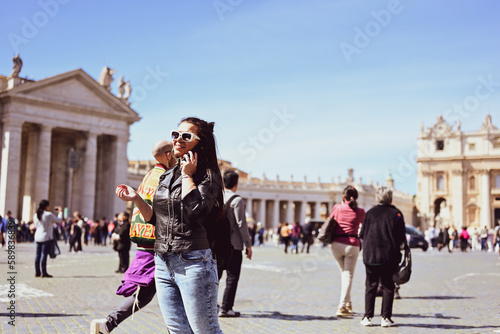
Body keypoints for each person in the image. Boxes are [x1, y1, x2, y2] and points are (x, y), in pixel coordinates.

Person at [116, 117, 224, 333]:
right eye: (175, 134)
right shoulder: (165, 176)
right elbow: (156, 219)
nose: (177, 139)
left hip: (193, 262)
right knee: (177, 329)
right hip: (163, 262)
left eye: (186, 136)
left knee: (205, 330)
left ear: (199, 143)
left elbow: (197, 211)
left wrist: (187, 176)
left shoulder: (208, 176)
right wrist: (137, 198)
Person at [91, 140, 176, 334]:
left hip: (145, 243)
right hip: (158, 245)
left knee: (147, 294)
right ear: (169, 154)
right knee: (171, 292)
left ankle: (108, 324)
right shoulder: (165, 177)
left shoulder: (148, 176)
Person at [359, 187, 405, 328]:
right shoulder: (396, 214)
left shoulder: (369, 213)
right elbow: (401, 237)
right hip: (389, 256)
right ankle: (386, 318)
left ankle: (367, 317)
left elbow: (362, 235)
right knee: (388, 286)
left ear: (377, 198)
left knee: (370, 285)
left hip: (371, 255)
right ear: (390, 198)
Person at [218, 170, 253, 318]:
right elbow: (241, 224)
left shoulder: (217, 197)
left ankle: (211, 304)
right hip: (234, 246)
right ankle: (226, 308)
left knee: (215, 277)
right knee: (232, 278)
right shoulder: (237, 200)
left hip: (217, 245)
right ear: (236, 184)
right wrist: (248, 244)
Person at [330, 186, 365, 317]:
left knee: (344, 274)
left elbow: (330, 220)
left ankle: (348, 303)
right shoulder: (361, 211)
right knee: (348, 275)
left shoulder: (337, 208)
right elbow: (365, 226)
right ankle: (342, 305)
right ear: (356, 198)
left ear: (343, 197)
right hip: (352, 245)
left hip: (336, 244)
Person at [33, 200, 62, 278]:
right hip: (46, 237)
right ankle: (44, 272)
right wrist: (60, 212)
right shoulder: (48, 214)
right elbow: (58, 221)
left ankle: (37, 272)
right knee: (44, 255)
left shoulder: (36, 215)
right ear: (46, 206)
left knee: (37, 255)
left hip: (37, 236)